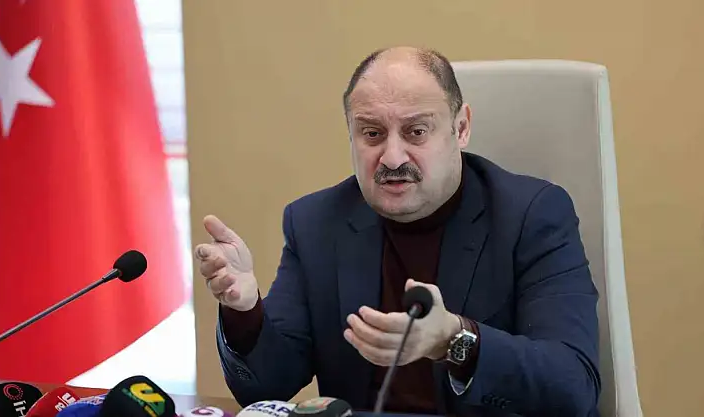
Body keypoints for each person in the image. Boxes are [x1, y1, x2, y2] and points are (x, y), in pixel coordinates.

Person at [195, 46, 601, 417]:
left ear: (461, 128)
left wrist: (454, 340)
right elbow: (267, 388)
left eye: (416, 131)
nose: (391, 158)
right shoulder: (315, 222)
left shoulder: (531, 215)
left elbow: (573, 388)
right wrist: (245, 311)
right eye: (372, 133)